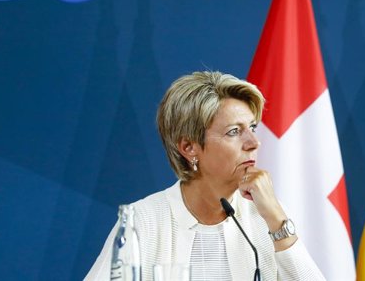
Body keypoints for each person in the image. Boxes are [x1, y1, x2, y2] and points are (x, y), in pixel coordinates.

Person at [85, 71, 324, 280]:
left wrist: (276, 219)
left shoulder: (266, 216)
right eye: (234, 132)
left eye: (252, 127)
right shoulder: (144, 221)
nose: (254, 142)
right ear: (189, 148)